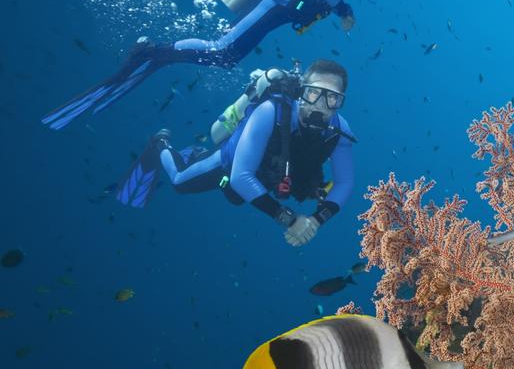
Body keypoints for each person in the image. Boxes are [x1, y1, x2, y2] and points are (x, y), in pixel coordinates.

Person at [41, 0, 358, 130]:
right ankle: (154, 51)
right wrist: (341, 5)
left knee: (226, 58)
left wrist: (340, 7)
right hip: (269, 8)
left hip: (274, 14)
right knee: (221, 48)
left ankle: (163, 54)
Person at [116, 60, 355, 248]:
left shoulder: (340, 129)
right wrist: (291, 221)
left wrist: (315, 221)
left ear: (341, 102)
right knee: (180, 181)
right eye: (314, 93)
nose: (321, 105)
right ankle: (161, 144)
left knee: (238, 198)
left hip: (266, 175)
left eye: (332, 98)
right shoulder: (270, 111)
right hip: (233, 163)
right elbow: (241, 176)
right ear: (302, 91)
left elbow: (345, 182)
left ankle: (195, 153)